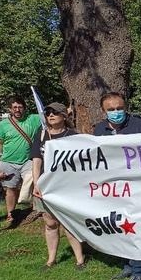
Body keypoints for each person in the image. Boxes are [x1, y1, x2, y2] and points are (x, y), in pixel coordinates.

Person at [94, 92, 141, 280]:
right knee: (120, 226)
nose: (116, 112)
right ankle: (128, 264)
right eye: (111, 110)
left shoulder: (140, 126)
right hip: (113, 188)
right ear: (103, 111)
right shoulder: (99, 129)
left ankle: (140, 271)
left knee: (134, 227)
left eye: (119, 108)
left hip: (136, 186)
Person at [31, 102, 85, 270]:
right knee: (50, 223)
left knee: (69, 223)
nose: (51, 115)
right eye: (48, 113)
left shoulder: (73, 136)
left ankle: (80, 260)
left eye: (55, 112)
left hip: (67, 187)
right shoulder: (40, 135)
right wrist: (36, 183)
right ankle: (51, 260)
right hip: (45, 187)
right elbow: (36, 161)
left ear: (64, 115)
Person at [0, 95, 41, 223]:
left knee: (34, 180)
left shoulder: (33, 119)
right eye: (14, 107)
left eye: (20, 107)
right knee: (10, 189)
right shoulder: (3, 124)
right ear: (10, 109)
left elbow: (46, 114)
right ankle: (11, 213)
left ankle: (33, 207)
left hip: (27, 160)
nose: (17, 109)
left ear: (24, 108)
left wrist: (68, 110)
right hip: (8, 161)